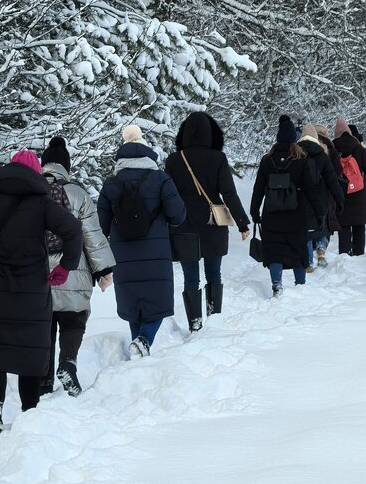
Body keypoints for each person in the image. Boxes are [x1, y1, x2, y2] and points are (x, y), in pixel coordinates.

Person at [0, 150, 82, 438]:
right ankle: (29, 412)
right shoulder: (42, 203)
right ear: (36, 174)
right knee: (30, 348)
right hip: (31, 289)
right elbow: (73, 229)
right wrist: (66, 266)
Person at [97, 125, 186, 358]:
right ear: (148, 154)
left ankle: (138, 346)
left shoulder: (111, 184)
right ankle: (143, 340)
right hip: (156, 252)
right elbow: (178, 215)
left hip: (123, 254)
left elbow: (101, 227)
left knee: (132, 303)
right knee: (157, 302)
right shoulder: (161, 179)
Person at [40, 136, 116, 396]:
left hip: (39, 273)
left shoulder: (32, 192)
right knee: (73, 321)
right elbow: (92, 236)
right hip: (73, 270)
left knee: (44, 326)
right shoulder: (78, 193)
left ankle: (43, 382)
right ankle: (68, 363)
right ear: (66, 167)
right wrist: (104, 271)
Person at [164, 112, 250, 332]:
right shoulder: (218, 158)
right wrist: (242, 222)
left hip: (183, 225)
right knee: (214, 273)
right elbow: (229, 193)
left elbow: (168, 196)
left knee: (190, 277)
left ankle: (195, 323)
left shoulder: (174, 160)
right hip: (214, 224)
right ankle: (214, 318)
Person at [249, 115, 322, 296]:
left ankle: (277, 284)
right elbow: (310, 189)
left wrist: (254, 211)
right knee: (298, 249)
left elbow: (258, 188)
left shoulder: (267, 160)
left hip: (271, 213)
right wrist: (319, 212)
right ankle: (300, 286)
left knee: (275, 250)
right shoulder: (300, 161)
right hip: (296, 214)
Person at [297, 123, 344, 270]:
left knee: (305, 229)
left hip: (301, 198)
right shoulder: (322, 155)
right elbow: (332, 179)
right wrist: (340, 199)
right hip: (321, 198)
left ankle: (308, 262)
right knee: (321, 226)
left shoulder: (295, 155)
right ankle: (321, 251)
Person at [332, 118, 366, 255]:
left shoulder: (333, 149)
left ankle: (345, 254)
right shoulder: (359, 148)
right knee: (359, 225)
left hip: (342, 192)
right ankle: (359, 253)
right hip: (359, 193)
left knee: (344, 225)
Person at [313, 123, 346, 267]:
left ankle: (310, 250)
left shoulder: (305, 146)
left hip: (309, 190)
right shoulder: (331, 148)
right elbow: (338, 170)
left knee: (311, 220)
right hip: (327, 191)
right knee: (325, 221)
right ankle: (321, 248)